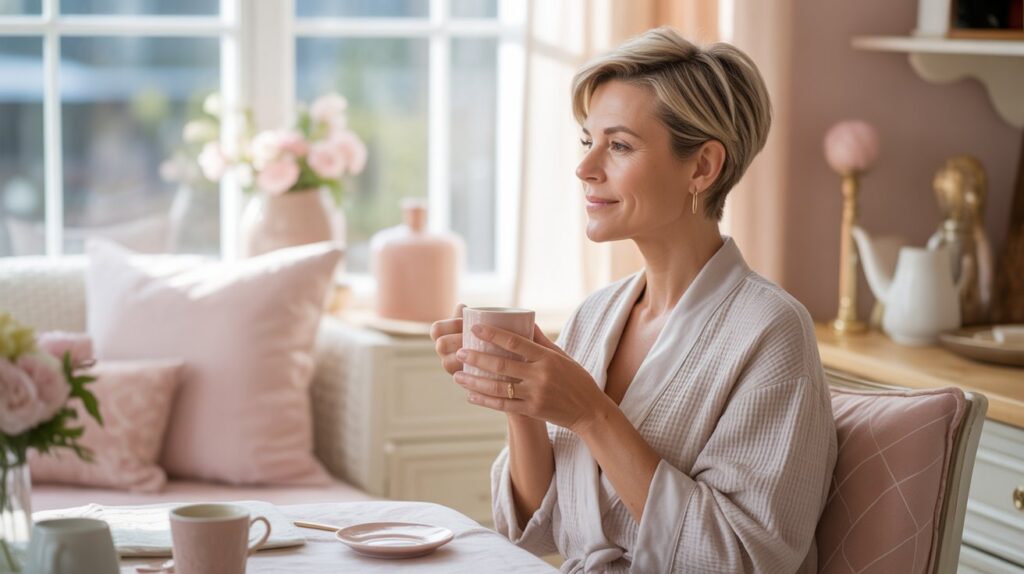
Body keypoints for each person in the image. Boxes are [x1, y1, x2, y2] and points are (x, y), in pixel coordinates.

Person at [430, 27, 837, 573]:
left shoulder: (770, 331)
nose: (585, 168)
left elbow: (735, 560)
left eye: (618, 146)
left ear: (702, 168)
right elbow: (533, 529)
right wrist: (519, 399)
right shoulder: (597, 315)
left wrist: (592, 414)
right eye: (587, 141)